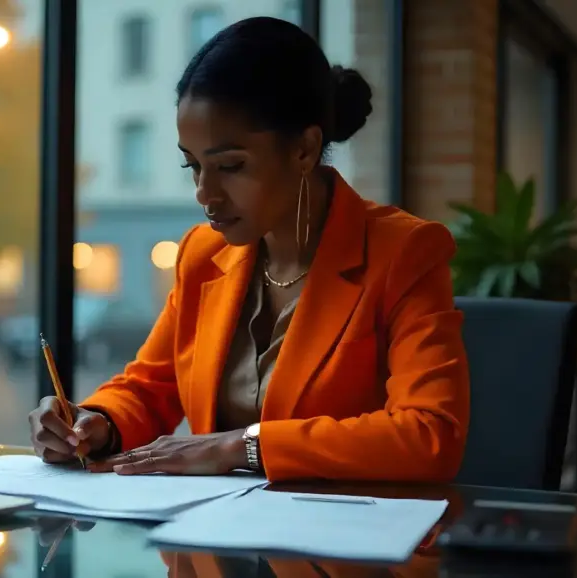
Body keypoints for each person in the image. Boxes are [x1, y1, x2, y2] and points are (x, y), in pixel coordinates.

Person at [29, 16, 470, 483]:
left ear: (304, 149)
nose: (204, 192)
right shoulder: (202, 254)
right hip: (215, 540)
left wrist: (241, 447)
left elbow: (429, 434)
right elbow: (150, 387)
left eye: (230, 166)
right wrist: (95, 423)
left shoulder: (403, 252)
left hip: (344, 544)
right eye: (193, 166)